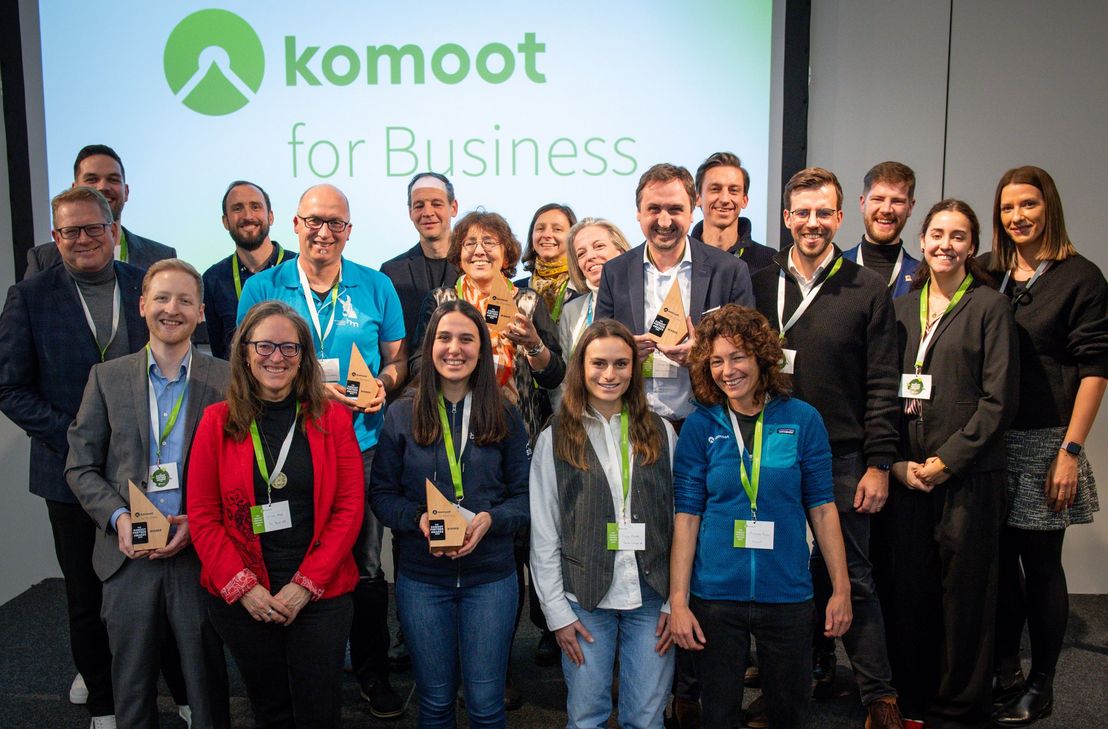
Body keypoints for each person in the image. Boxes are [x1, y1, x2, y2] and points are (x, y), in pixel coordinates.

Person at [237, 183, 406, 717]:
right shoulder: (265, 286)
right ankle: (300, 669)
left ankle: (372, 672)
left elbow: (399, 361)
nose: (324, 231)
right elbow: (244, 362)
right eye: (314, 220)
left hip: (361, 447)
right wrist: (313, 388)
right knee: (286, 559)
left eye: (335, 222)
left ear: (349, 231)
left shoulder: (376, 285)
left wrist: (385, 383)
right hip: (284, 451)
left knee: (365, 566)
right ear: (295, 224)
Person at [750, 167, 904, 727]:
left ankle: (879, 696)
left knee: (853, 575)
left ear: (840, 218)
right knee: (781, 576)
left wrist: (879, 463)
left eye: (823, 213)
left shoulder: (866, 290)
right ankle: (785, 688)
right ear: (786, 218)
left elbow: (883, 383)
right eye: (802, 213)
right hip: (770, 452)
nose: (812, 223)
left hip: (841, 456)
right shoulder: (760, 284)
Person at [0, 186, 149, 728]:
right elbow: (9, 388)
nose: (83, 239)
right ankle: (105, 707)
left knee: (155, 585)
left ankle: (167, 690)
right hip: (69, 475)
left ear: (113, 230)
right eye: (71, 231)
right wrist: (79, 437)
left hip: (147, 469)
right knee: (85, 594)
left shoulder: (143, 287)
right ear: (55, 238)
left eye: (94, 228)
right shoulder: (31, 297)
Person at [668, 304, 852, 729]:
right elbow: (687, 516)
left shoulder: (803, 420)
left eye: (738, 357)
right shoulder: (701, 426)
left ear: (762, 357)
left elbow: (823, 510)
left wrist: (840, 590)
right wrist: (679, 600)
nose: (727, 370)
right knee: (718, 714)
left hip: (786, 593)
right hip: (715, 595)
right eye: (716, 360)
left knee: (789, 713)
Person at [65, 259, 230, 729]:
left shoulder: (227, 380)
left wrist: (199, 524)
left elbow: (236, 473)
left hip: (197, 552)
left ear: (201, 312)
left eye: (184, 300)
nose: (171, 309)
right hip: (126, 555)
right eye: (161, 298)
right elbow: (79, 466)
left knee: (206, 685)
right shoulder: (106, 377)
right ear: (142, 306)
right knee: (132, 688)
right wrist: (118, 517)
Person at [188, 301, 365, 728]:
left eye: (289, 348)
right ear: (245, 352)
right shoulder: (216, 421)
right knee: (268, 709)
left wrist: (305, 586)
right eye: (264, 346)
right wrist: (245, 588)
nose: (276, 357)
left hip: (319, 593)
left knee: (319, 710)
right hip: (246, 596)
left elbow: (348, 508)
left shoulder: (334, 418)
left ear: (303, 357)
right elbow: (203, 515)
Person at [885, 200, 1018, 727]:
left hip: (967, 477)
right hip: (908, 478)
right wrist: (897, 463)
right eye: (937, 233)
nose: (945, 244)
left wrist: (949, 460)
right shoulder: (900, 308)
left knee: (965, 597)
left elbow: (998, 400)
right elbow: (882, 393)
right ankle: (914, 700)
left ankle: (960, 708)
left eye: (958, 236)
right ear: (921, 240)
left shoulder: (990, 307)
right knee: (911, 595)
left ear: (971, 245)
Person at [983, 167, 1108, 727]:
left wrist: (1071, 451)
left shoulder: (1081, 277)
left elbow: (1095, 370)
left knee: (1041, 565)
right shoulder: (988, 272)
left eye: (1028, 205)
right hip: (989, 439)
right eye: (1008, 208)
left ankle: (1044, 684)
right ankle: (1004, 669)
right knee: (998, 566)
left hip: (1045, 441)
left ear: (1048, 206)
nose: (1018, 217)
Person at [371, 300, 531, 728]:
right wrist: (417, 519)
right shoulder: (401, 415)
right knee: (436, 703)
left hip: (491, 580)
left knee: (485, 705)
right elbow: (382, 495)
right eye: (444, 337)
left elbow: (525, 498)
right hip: (423, 581)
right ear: (431, 344)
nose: (454, 348)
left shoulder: (506, 414)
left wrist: (491, 520)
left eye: (466, 338)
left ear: (481, 348)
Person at [530, 319, 677, 728]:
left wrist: (674, 600)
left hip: (652, 598)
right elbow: (545, 533)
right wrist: (556, 612)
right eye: (598, 364)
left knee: (647, 720)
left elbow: (678, 521)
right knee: (586, 717)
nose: (609, 374)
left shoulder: (663, 432)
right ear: (581, 367)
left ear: (634, 369)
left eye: (621, 364)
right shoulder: (555, 436)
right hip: (584, 600)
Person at [596, 162, 754, 427]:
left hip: (707, 422)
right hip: (634, 420)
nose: (664, 221)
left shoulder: (729, 270)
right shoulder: (615, 271)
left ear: (693, 212)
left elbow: (748, 347)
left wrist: (702, 354)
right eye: (654, 209)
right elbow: (598, 344)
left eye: (675, 209)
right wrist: (623, 351)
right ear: (638, 213)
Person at [410, 209, 565, 441]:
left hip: (520, 429)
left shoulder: (528, 301)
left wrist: (534, 345)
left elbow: (554, 376)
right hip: (455, 426)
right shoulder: (442, 301)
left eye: (489, 242)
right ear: (459, 255)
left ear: (506, 255)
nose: (479, 250)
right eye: (469, 243)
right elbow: (418, 366)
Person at [25, 144, 175, 277]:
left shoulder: (161, 256)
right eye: (92, 179)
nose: (103, 187)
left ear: (126, 191)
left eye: (113, 179)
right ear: (74, 189)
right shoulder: (43, 259)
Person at [202, 181, 295, 359]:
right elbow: (219, 353)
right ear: (225, 221)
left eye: (255, 207)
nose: (248, 215)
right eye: (237, 208)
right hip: (240, 384)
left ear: (271, 216)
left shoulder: (299, 267)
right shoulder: (213, 280)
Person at [381, 172, 462, 360]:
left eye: (436, 204)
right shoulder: (391, 272)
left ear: (453, 207)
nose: (427, 213)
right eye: (419, 206)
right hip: (410, 384)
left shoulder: (475, 268)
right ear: (410, 212)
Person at [842, 162, 920, 298]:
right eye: (878, 199)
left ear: (910, 207)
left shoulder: (922, 277)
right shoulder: (835, 268)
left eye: (897, 201)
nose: (886, 209)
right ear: (862, 203)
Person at [690, 152, 777, 274]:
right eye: (715, 189)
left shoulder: (768, 262)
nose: (724, 199)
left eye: (733, 190)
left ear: (744, 200)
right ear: (697, 198)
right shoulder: (683, 258)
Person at [515, 203, 579, 323]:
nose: (547, 235)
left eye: (557, 229)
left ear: (572, 238)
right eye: (540, 229)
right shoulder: (515, 289)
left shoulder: (585, 289)